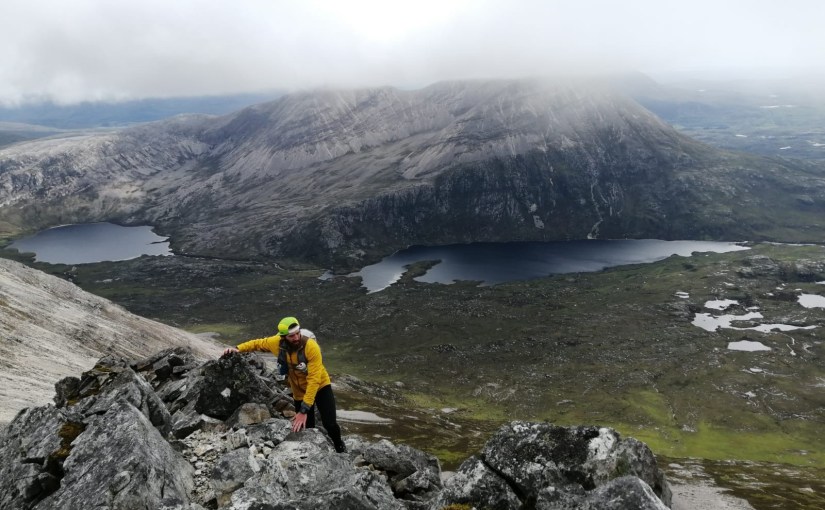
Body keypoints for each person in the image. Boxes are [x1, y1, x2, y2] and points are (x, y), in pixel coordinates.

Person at [222, 316, 346, 453]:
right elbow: (258, 343)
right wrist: (237, 348)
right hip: (298, 390)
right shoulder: (276, 343)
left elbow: (314, 380)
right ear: (283, 337)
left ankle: (339, 445)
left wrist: (303, 410)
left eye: (297, 333)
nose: (296, 338)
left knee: (330, 423)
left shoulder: (311, 347)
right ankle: (313, 452)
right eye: (291, 336)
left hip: (321, 386)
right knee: (308, 427)